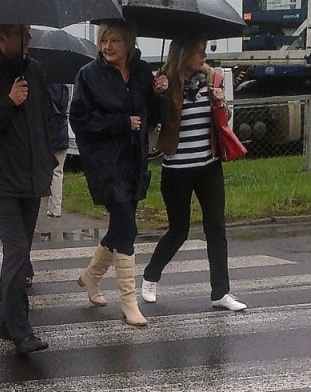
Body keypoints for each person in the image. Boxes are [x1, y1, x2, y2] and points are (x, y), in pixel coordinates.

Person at [0, 24, 56, 354]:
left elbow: (44, 119)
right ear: (1, 37)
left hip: (31, 178)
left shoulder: (35, 70)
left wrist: (47, 162)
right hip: (0, 179)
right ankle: (21, 329)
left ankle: (4, 320)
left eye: (28, 31)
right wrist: (8, 101)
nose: (29, 38)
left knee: (19, 252)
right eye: (22, 33)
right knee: (16, 249)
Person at [70, 21, 168, 327]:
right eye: (103, 41)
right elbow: (80, 120)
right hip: (105, 164)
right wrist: (121, 124)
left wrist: (160, 93)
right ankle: (129, 302)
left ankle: (91, 276)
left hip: (135, 161)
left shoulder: (141, 72)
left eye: (115, 41)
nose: (108, 47)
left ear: (129, 43)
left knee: (120, 228)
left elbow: (154, 115)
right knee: (128, 227)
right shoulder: (89, 76)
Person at [141, 33, 248, 312]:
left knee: (216, 228)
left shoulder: (212, 79)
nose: (204, 57)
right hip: (176, 170)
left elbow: (223, 122)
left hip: (208, 166)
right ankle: (151, 276)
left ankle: (221, 292)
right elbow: (153, 122)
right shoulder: (165, 80)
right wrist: (159, 94)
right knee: (179, 230)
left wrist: (221, 102)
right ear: (184, 53)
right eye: (199, 51)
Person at [41, 82, 70, 218]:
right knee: (58, 172)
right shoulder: (64, 89)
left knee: (40, 170)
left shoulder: (42, 88)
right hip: (61, 133)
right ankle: (55, 207)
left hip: (44, 135)